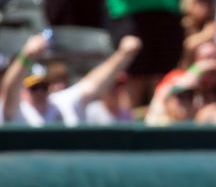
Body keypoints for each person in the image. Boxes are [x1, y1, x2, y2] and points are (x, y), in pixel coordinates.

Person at [97, 0, 197, 107]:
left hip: (168, 11)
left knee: (164, 82)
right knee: (132, 80)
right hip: (128, 12)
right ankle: (128, 131)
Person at [0, 33, 142, 126]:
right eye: (34, 88)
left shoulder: (62, 102)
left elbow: (93, 83)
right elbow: (10, 88)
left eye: (43, 86)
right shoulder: (18, 110)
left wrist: (124, 54)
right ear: (23, 91)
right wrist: (26, 56)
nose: (40, 92)